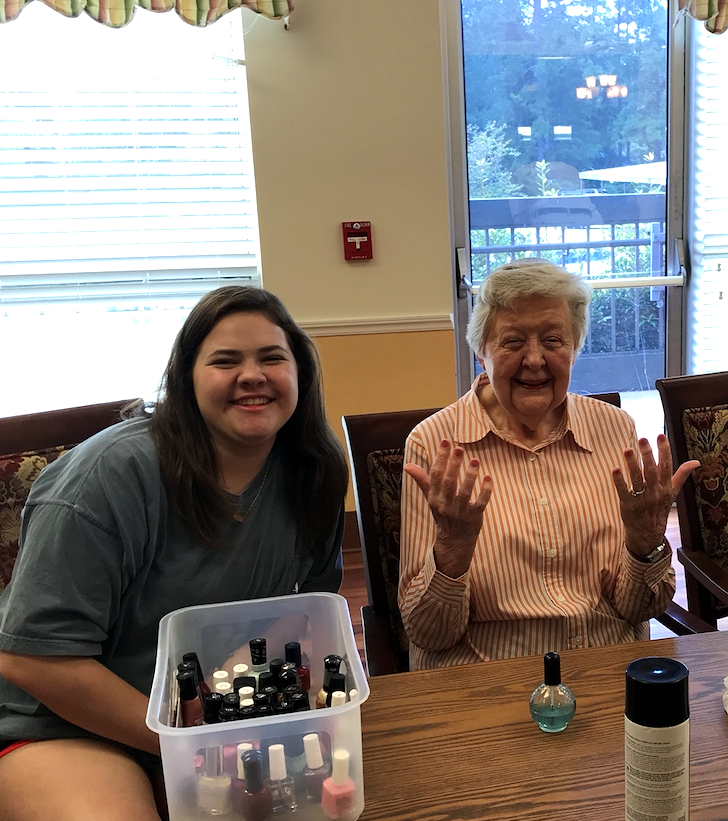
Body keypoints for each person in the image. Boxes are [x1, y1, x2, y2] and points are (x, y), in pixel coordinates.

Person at [0, 286, 349, 821]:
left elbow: (307, 606)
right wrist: (183, 735)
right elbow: (31, 657)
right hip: (60, 725)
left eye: (272, 358)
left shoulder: (313, 471)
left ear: (300, 373)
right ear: (185, 378)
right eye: (225, 361)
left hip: (213, 717)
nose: (252, 375)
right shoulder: (108, 478)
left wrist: (220, 705)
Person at [398, 259, 699, 671]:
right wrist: (453, 548)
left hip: (605, 669)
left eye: (554, 340)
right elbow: (428, 632)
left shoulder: (615, 431)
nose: (535, 359)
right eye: (513, 341)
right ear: (482, 352)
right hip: (488, 680)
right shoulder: (434, 445)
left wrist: (646, 543)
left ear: (574, 347)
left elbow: (637, 610)